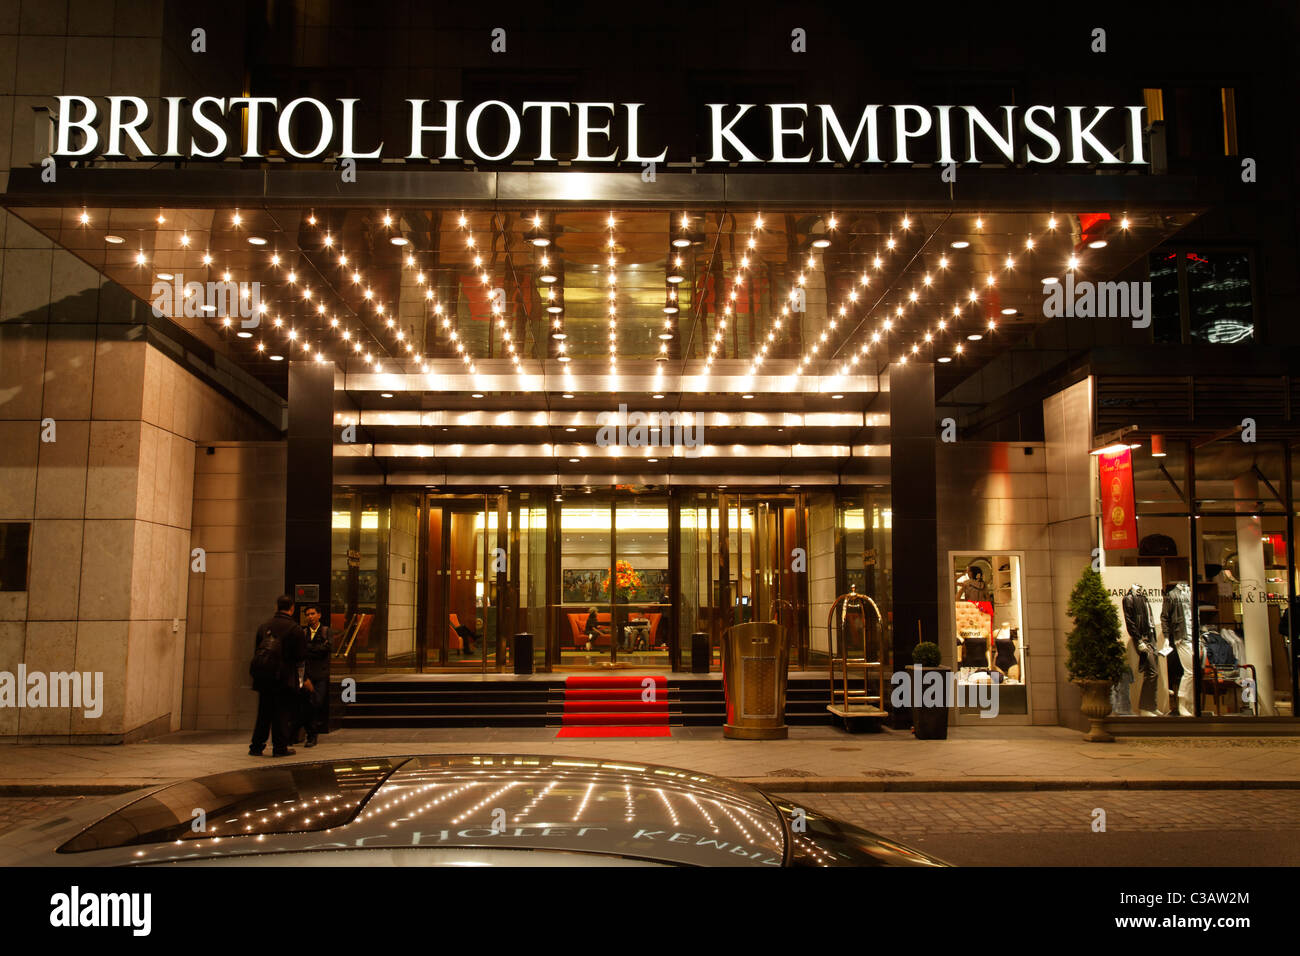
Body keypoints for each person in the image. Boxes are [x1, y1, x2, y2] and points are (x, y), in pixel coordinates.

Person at [249, 594, 307, 757]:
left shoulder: (264, 626)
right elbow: (301, 655)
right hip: (284, 677)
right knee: (281, 712)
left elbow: (257, 650)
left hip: (264, 677)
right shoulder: (294, 629)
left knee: (263, 712)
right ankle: (280, 747)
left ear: (276, 607)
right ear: (292, 608)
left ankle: (256, 746)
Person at [298, 606, 331, 747]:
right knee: (308, 703)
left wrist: (309, 648)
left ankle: (312, 731)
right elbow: (301, 652)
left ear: (319, 615)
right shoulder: (303, 632)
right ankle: (311, 734)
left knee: (316, 702)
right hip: (307, 675)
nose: (310, 616)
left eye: (312, 614)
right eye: (307, 614)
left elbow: (326, 649)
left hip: (321, 674)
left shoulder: (325, 631)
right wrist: (315, 649)